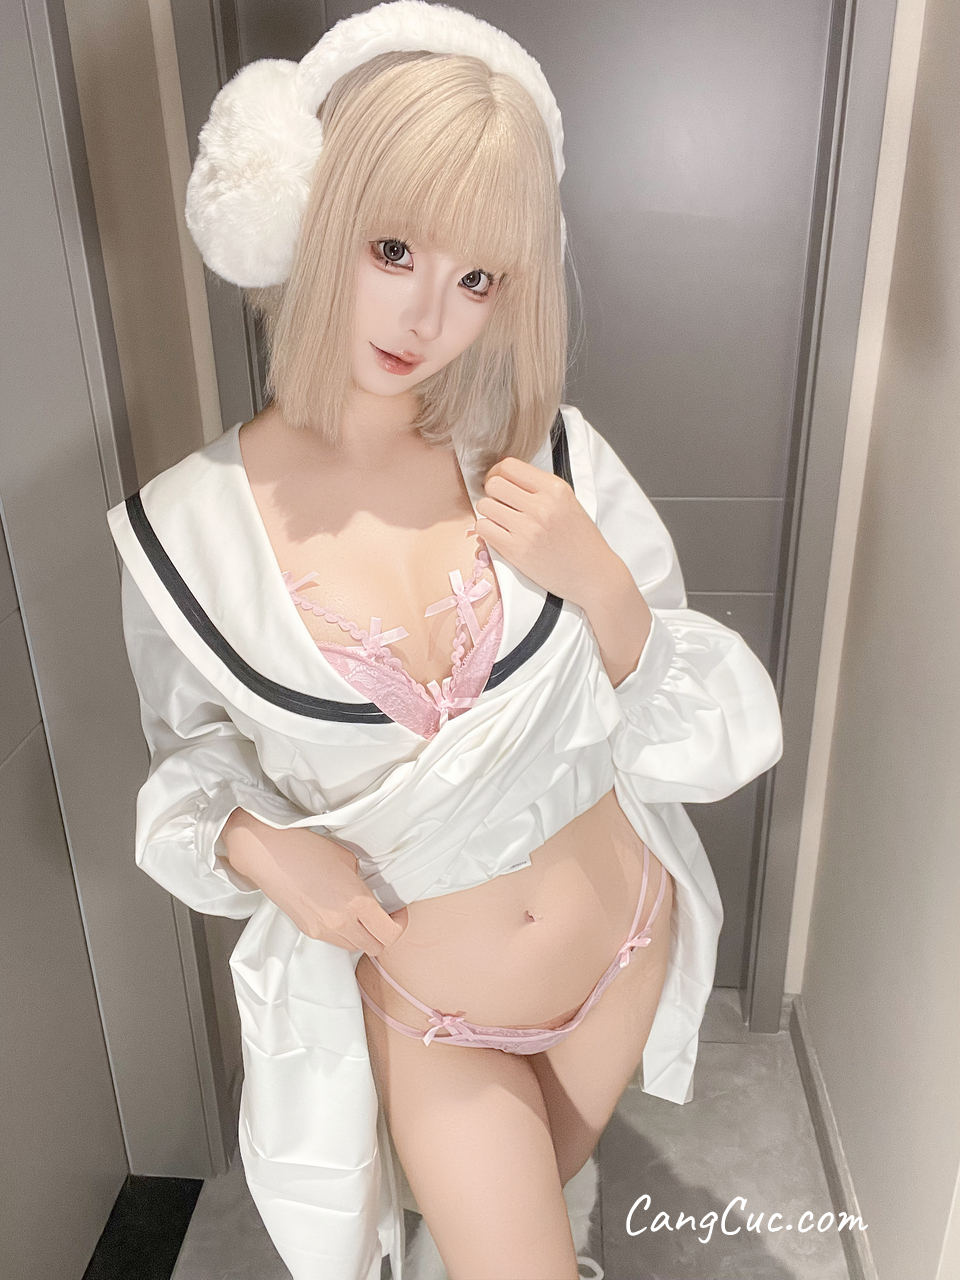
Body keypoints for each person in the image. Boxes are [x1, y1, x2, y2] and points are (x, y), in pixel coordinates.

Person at [107, 5, 783, 1279]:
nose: (427, 313)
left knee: (527, 1221)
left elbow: (689, 725)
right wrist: (261, 846)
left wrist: (600, 581)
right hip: (438, 1016)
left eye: (478, 279)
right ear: (301, 213)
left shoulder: (550, 452)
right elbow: (190, 769)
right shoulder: (186, 534)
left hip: (623, 937)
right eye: (393, 247)